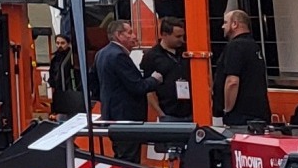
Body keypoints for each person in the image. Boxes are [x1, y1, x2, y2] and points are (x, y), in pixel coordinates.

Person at [93, 17, 161, 158]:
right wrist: (154, 80)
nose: (134, 36)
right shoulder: (118, 56)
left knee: (122, 156)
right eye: (129, 32)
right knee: (128, 159)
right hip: (126, 117)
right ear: (119, 35)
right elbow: (137, 86)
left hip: (113, 115)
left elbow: (94, 83)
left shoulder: (101, 53)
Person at [218, 8, 272, 126]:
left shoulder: (235, 46)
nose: (222, 26)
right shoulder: (254, 46)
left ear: (235, 24)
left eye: (225, 22)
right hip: (259, 112)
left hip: (241, 115)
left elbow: (232, 82)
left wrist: (227, 109)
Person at [142, 19, 193, 123]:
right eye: (178, 37)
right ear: (164, 35)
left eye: (183, 36)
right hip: (168, 113)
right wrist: (160, 113)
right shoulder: (151, 56)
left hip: (191, 110)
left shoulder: (187, 50)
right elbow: (148, 90)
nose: (182, 40)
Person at [48, 32, 85, 117]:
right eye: (57, 43)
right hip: (59, 92)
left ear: (68, 44)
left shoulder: (73, 57)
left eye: (62, 43)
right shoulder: (55, 59)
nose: (59, 46)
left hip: (71, 92)